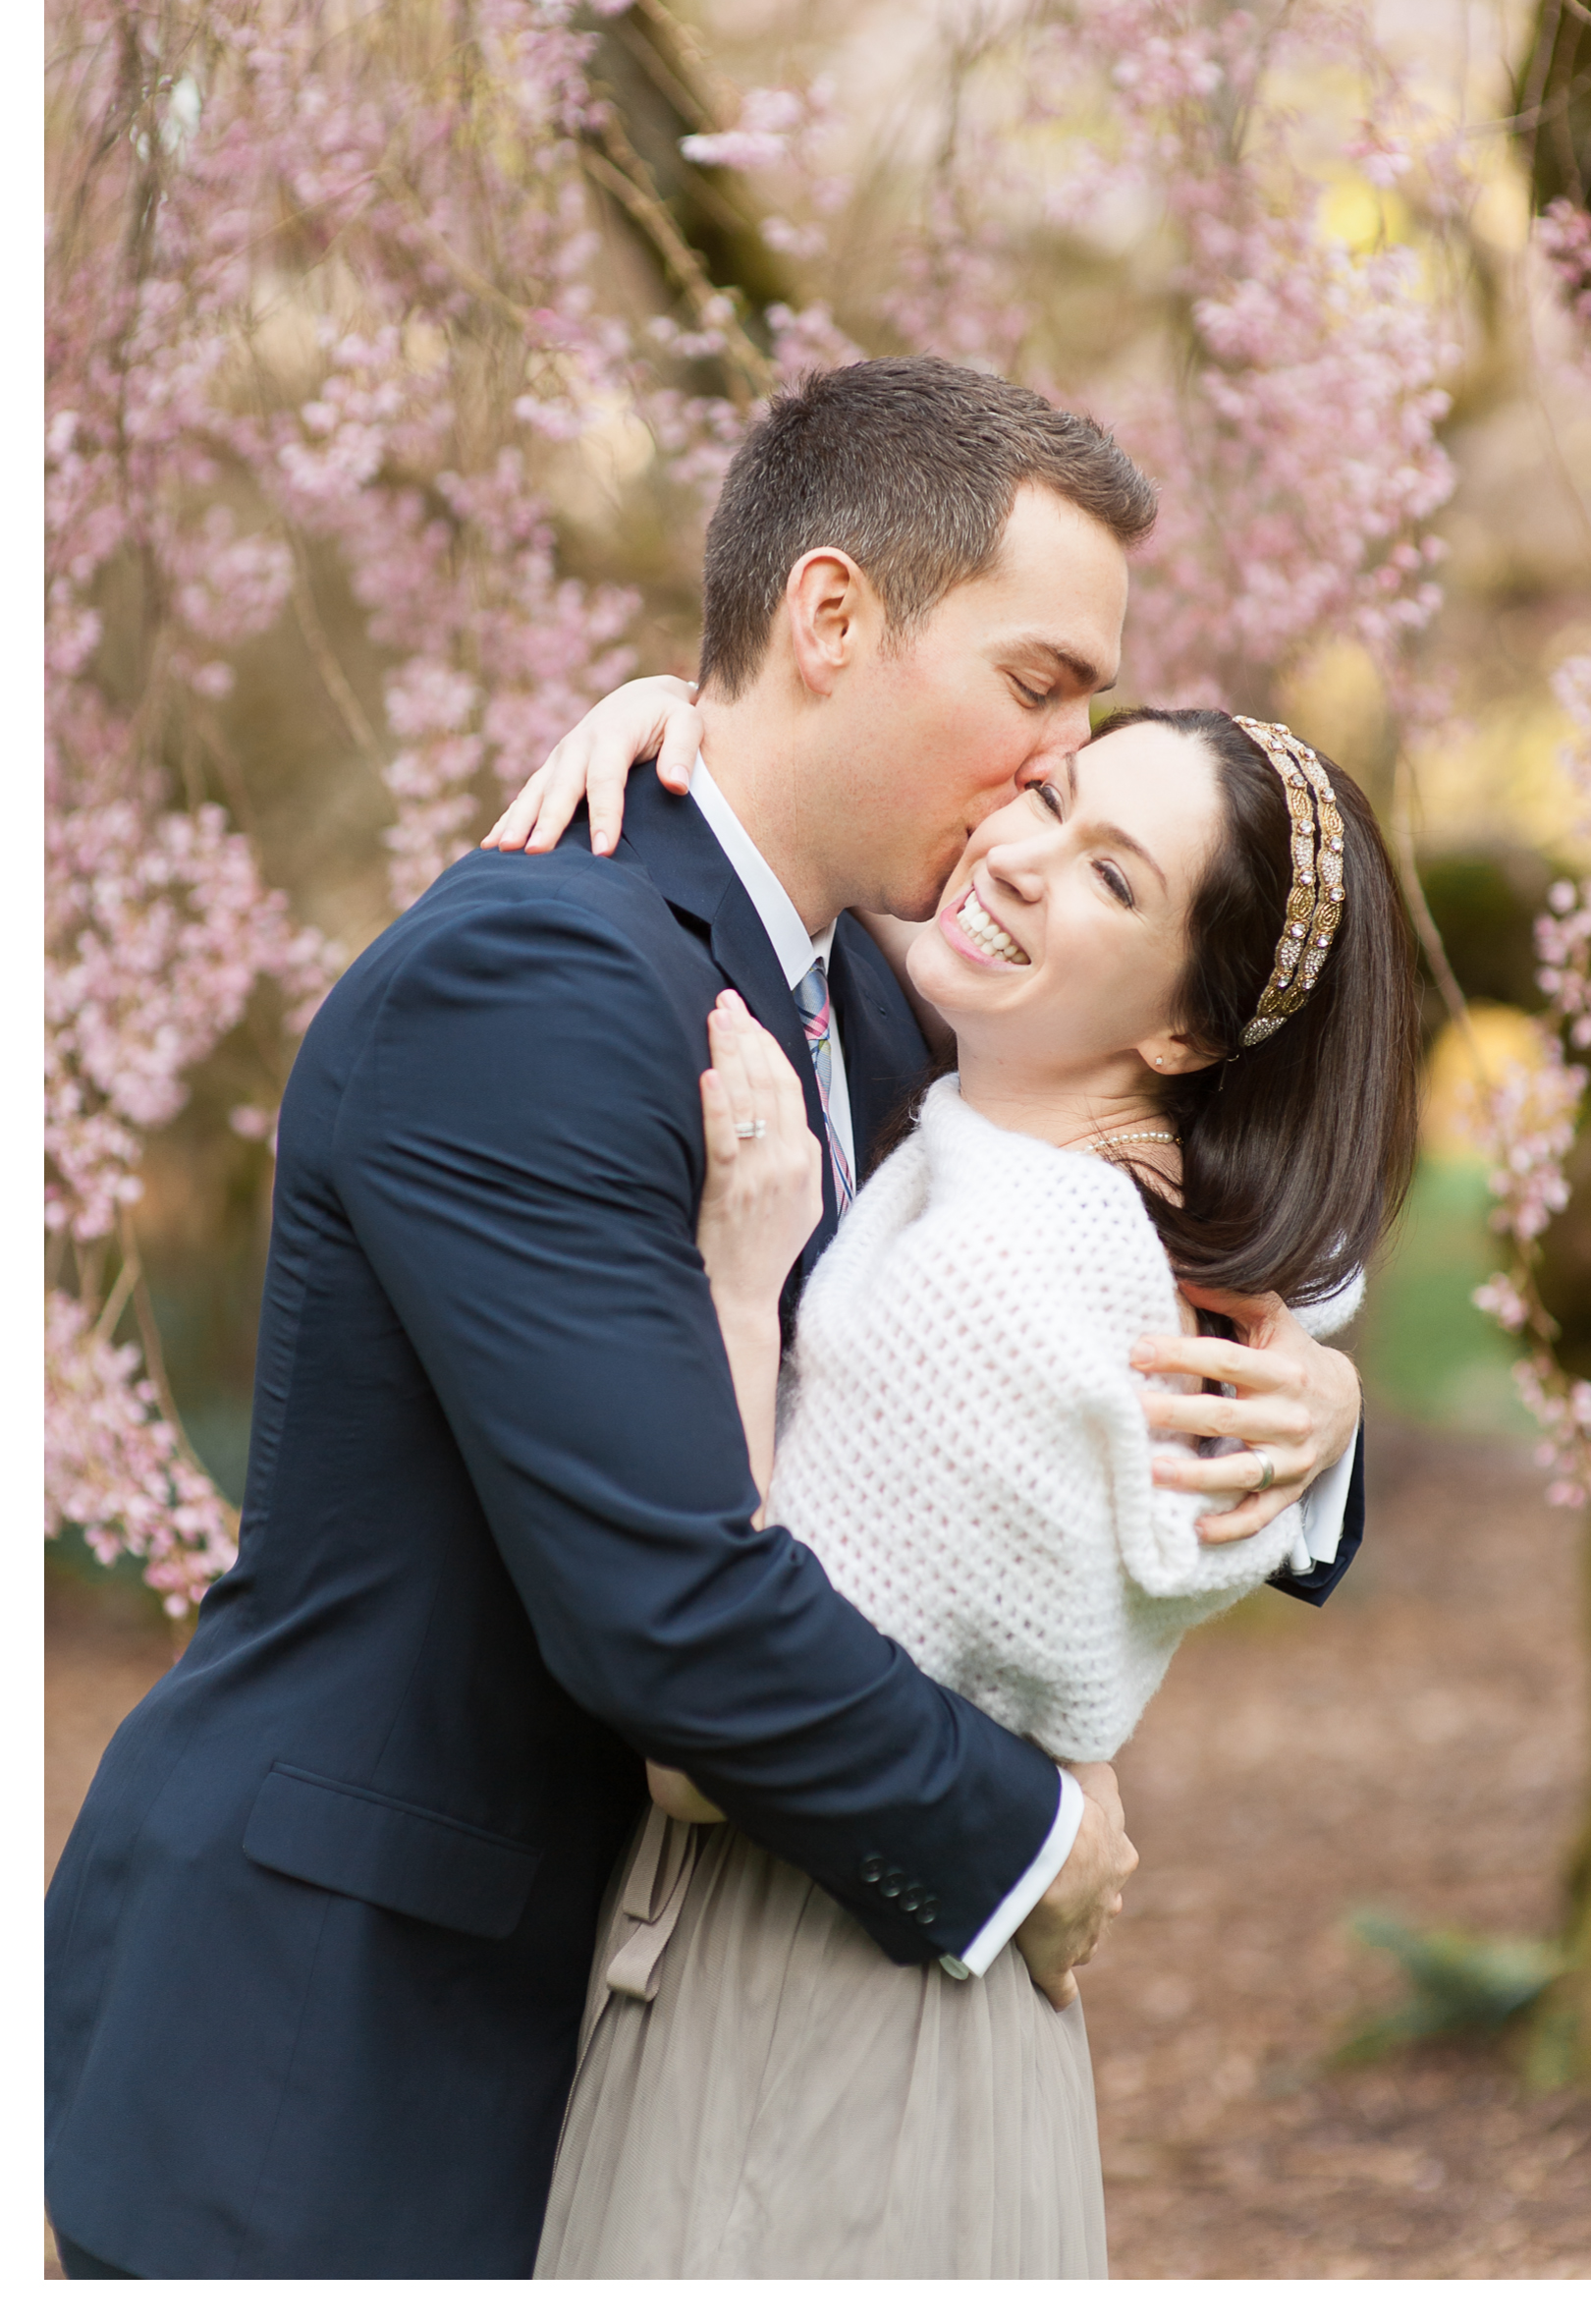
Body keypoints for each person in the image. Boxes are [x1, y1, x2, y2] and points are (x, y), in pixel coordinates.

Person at [42, 359, 1364, 2279]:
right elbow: (671, 1606)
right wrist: (1027, 1844)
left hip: (634, 2039)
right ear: (833, 615)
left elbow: (1136, 1223)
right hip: (337, 2056)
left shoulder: (890, 1004)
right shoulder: (535, 984)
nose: (1064, 762)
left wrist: (1310, 1408)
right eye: (1038, 683)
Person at [532, 704, 1415, 2275]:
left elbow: (710, 1745)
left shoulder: (995, 1269)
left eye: (1110, 876)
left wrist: (743, 1281)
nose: (1016, 856)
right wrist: (704, 716)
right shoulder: (1084, 1182)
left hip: (805, 2017)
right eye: (1054, 794)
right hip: (928, 1999)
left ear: (1189, 1035)